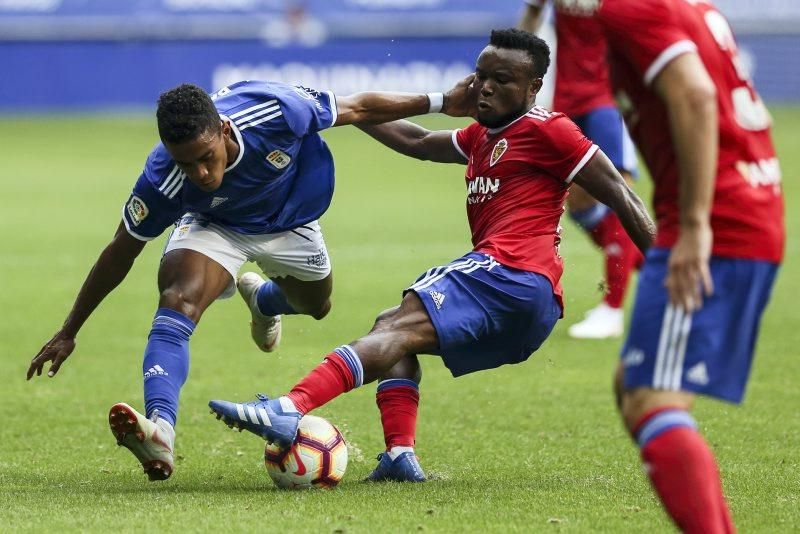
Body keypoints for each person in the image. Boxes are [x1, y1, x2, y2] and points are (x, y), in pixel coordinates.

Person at [208, 29, 656, 482]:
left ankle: (289, 408)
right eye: (481, 76)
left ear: (533, 87)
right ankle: (400, 456)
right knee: (392, 328)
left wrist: (666, 274)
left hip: (511, 273)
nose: (485, 87)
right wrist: (342, 109)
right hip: (528, 304)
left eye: (502, 80)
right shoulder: (483, 135)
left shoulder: (548, 129)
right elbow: (419, 142)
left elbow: (622, 193)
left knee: (399, 325)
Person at [25, 78, 475, 481]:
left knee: (317, 305)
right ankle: (160, 428)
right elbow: (119, 251)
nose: (200, 174)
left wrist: (439, 101)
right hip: (215, 227)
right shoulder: (163, 178)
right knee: (178, 299)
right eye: (187, 165)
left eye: (206, 158)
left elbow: (358, 108)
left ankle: (264, 302)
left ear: (223, 131)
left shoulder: (275, 110)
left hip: (292, 220)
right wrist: (70, 329)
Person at [593, 1, 784, 531]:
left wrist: (698, 226)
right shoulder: (678, 4)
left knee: (649, 396)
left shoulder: (630, 9)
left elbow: (697, 96)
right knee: (631, 386)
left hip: (715, 222)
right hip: (738, 208)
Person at [519, 0, 642, 339]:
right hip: (569, 100)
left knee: (620, 196)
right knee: (580, 205)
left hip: (608, 101)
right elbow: (528, 28)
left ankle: (612, 310)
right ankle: (661, 276)